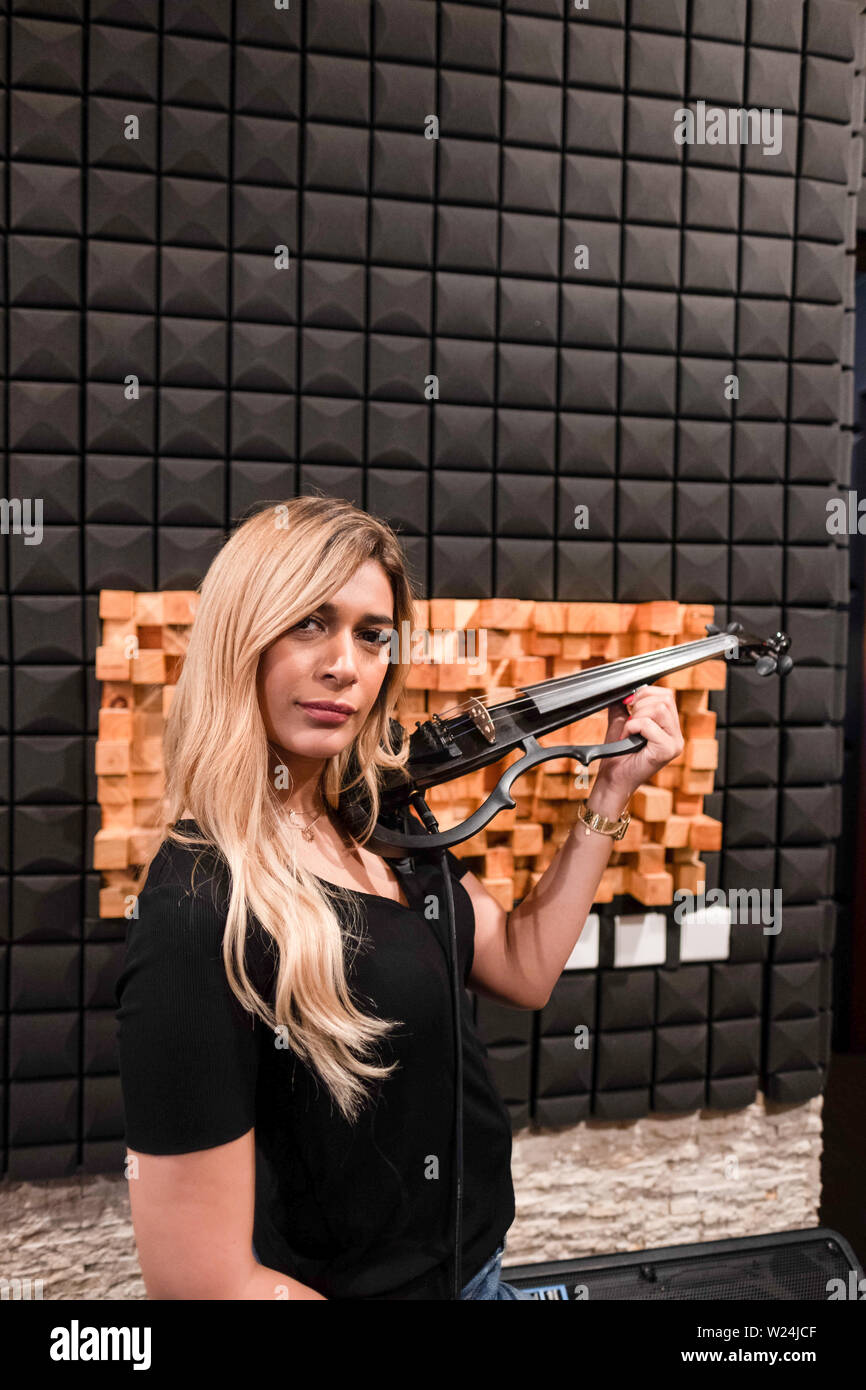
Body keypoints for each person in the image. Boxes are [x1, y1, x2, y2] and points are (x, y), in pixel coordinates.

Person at [115, 495, 684, 1300]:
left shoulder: (374, 816)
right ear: (240, 637)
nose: (344, 665)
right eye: (308, 623)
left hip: (477, 1272)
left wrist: (611, 794)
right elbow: (202, 1284)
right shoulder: (197, 908)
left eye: (372, 635)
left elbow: (523, 968)